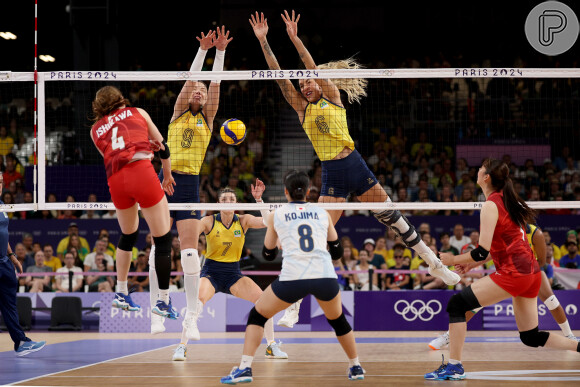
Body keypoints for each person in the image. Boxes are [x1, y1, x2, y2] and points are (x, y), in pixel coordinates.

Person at [250, 10, 458, 327]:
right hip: (332, 173)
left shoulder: (332, 96)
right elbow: (279, 75)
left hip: (356, 166)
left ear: (319, 82)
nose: (305, 84)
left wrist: (295, 39)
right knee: (316, 240)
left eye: (309, 80)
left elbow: (309, 66)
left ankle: (434, 264)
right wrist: (265, 41)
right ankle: (293, 306)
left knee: (395, 219)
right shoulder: (301, 109)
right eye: (302, 83)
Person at [425, 159, 580, 380]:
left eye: (480, 169)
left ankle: (455, 366)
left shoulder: (491, 204)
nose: (477, 170)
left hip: (514, 274)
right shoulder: (507, 201)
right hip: (531, 274)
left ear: (486, 177)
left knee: (457, 305)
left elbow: (480, 250)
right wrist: (473, 263)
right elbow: (497, 247)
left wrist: (452, 259)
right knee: (530, 336)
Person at [220, 170, 365, 384]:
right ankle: (356, 366)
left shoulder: (278, 214)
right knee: (339, 322)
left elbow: (268, 255)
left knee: (257, 316)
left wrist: (281, 242)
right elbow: (336, 252)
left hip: (293, 278)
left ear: (286, 192)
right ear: (307, 191)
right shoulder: (322, 213)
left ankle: (244, 369)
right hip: (324, 275)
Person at [148, 26, 233, 337]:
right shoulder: (177, 115)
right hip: (163, 181)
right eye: (195, 89)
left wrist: (220, 52)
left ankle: (191, 318)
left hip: (189, 185)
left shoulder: (207, 119)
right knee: (159, 246)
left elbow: (216, 82)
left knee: (188, 252)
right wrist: (204, 51)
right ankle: (157, 309)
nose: (199, 90)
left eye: (202, 90)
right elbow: (190, 81)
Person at [172, 181, 288, 361]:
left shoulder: (243, 220)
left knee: (264, 300)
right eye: (224, 199)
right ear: (218, 204)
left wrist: (259, 200)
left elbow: (266, 221)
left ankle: (271, 345)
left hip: (233, 273)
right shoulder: (208, 221)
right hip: (211, 272)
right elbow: (190, 233)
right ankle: (181, 347)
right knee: (197, 301)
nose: (228, 201)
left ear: (237, 203)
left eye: (232, 198)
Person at [90, 85, 177, 319]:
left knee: (128, 235)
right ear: (121, 99)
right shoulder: (138, 111)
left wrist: (139, 144)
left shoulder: (95, 130)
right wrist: (167, 175)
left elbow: (114, 155)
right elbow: (163, 147)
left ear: (99, 107)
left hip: (116, 181)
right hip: (141, 173)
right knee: (163, 238)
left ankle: (120, 292)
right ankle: (163, 301)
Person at [0, 173, 46, 356]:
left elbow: (3, 232)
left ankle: (20, 342)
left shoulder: (2, 204)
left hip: (4, 262)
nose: (0, 185)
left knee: (10, 305)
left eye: (1, 182)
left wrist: (11, 255)